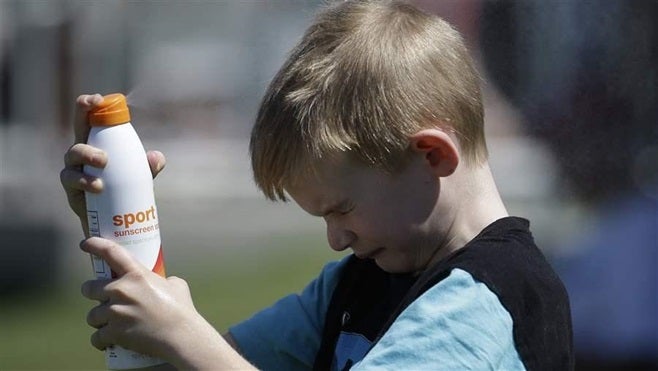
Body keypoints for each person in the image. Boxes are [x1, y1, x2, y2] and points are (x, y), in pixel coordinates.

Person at [60, 1, 573, 370]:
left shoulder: (489, 299)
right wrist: (125, 233)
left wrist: (180, 331)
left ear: (432, 155)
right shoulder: (352, 286)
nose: (335, 239)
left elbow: (200, 353)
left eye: (342, 208)